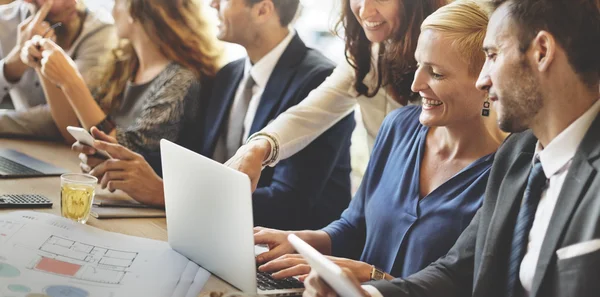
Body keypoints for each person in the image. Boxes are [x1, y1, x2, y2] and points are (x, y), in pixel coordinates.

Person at [303, 0, 600, 296]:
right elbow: (455, 272)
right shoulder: (518, 155)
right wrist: (365, 293)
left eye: (493, 55)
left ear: (542, 52)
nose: (484, 80)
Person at [252, 0, 507, 283]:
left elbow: (464, 285)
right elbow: (354, 225)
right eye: (418, 65)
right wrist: (301, 241)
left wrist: (373, 278)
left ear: (486, 80)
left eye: (436, 73)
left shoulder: (507, 173)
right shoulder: (398, 128)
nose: (415, 85)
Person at [74, 0, 356, 231]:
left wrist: (167, 194)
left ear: (262, 10)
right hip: (214, 233)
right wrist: (123, 166)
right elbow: (198, 163)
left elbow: (288, 205)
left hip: (285, 255)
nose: (212, 4)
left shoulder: (320, 80)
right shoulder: (229, 75)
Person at [225, 0, 447, 191]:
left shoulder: (449, 52)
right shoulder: (365, 55)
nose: (365, 11)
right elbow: (312, 112)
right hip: (384, 204)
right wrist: (260, 145)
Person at [20, 0, 222, 153]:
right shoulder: (125, 64)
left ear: (136, 9)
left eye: (118, 2)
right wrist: (43, 65)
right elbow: (72, 130)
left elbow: (128, 153)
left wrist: (71, 81)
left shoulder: (181, 79)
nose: (113, 11)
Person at [0, 0, 116, 139]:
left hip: (68, 151)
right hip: (19, 145)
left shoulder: (101, 32)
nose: (73, 2)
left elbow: (75, 116)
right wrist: (14, 63)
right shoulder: (4, 23)